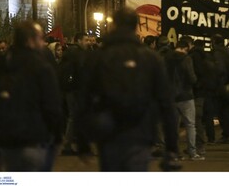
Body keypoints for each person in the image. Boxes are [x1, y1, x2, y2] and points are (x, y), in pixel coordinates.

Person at [77, 9, 180, 171]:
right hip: (141, 132)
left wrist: (83, 143)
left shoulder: (98, 57)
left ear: (114, 26)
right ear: (136, 27)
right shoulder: (150, 58)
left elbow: (83, 100)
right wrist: (172, 147)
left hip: (108, 132)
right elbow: (166, 103)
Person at [0, 21, 64, 171]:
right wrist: (57, 137)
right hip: (35, 139)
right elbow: (53, 107)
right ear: (30, 40)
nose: (43, 42)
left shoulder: (4, 65)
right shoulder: (42, 68)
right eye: (40, 38)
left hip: (8, 141)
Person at [165, 37, 204, 160]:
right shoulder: (187, 59)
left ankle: (174, 153)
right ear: (185, 48)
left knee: (173, 126)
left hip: (170, 96)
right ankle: (192, 153)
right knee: (190, 125)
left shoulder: (166, 58)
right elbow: (192, 78)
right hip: (186, 95)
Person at [58, 33, 92, 155]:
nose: (88, 43)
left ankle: (71, 144)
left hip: (70, 89)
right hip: (75, 89)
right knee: (74, 117)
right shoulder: (77, 53)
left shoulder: (71, 52)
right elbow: (82, 72)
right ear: (78, 40)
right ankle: (68, 145)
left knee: (74, 116)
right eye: (86, 40)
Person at [211, 34, 229, 144]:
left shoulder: (217, 53)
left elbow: (220, 70)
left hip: (222, 86)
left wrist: (217, 82)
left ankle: (227, 135)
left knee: (223, 111)